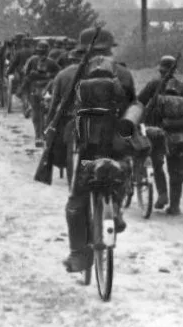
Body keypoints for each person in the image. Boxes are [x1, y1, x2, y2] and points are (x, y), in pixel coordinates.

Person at [53, 27, 136, 273]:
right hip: (116, 142)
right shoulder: (123, 73)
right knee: (120, 173)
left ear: (81, 50)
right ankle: (116, 210)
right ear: (110, 49)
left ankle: (79, 255)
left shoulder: (67, 74)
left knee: (76, 199)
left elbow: (54, 115)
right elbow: (133, 104)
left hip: (83, 144)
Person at [138, 55, 183, 215]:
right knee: (177, 169)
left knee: (157, 163)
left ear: (160, 69)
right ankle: (175, 205)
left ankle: (162, 194)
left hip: (157, 132)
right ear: (175, 70)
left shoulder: (153, 84)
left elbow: (139, 102)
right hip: (179, 132)